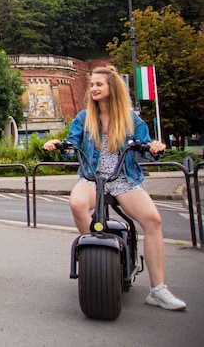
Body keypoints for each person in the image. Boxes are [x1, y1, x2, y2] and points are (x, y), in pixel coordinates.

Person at [43, 66, 186, 310]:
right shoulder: (84, 117)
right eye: (92, 85)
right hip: (92, 178)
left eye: (99, 84)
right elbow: (71, 144)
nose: (94, 89)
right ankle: (94, 259)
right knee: (77, 203)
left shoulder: (131, 120)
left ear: (112, 88)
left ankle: (158, 289)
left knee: (153, 220)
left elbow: (145, 145)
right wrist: (57, 144)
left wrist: (154, 147)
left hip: (123, 179)